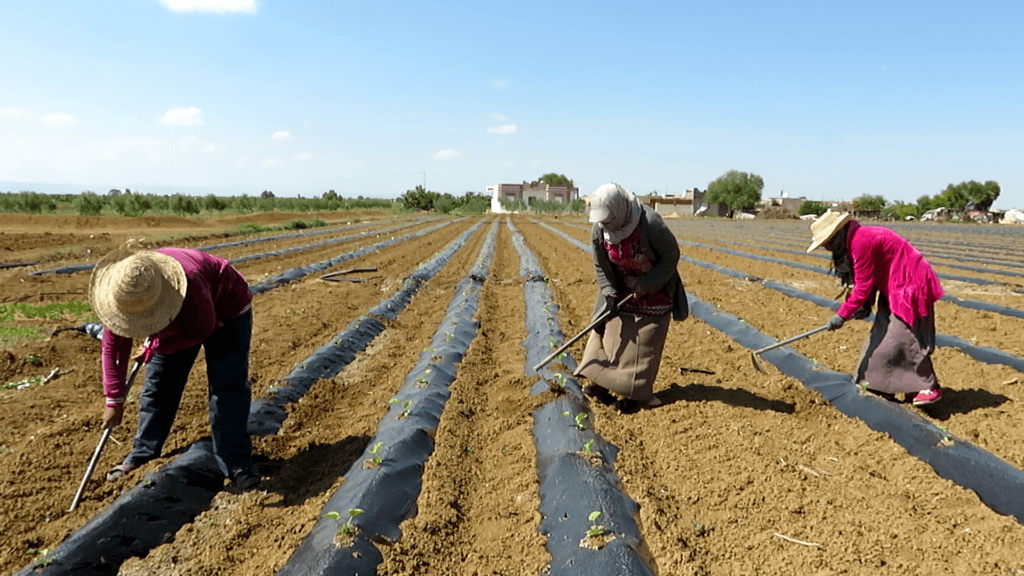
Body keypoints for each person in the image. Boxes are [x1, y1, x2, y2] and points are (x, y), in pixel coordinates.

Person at [90, 243, 260, 491]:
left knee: (226, 388)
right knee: (159, 386)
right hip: (184, 314)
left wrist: (154, 347)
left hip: (226, 310)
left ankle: (237, 464)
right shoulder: (120, 295)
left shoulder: (188, 282)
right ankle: (143, 453)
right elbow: (113, 349)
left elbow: (202, 328)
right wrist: (114, 399)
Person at [807, 211, 944, 405]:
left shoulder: (860, 240)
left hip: (910, 284)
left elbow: (862, 287)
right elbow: (867, 281)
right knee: (878, 337)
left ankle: (929, 386)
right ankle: (875, 384)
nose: (828, 248)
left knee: (901, 337)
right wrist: (863, 305)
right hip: (891, 286)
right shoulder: (855, 240)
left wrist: (841, 315)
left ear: (837, 234)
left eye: (827, 242)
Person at [573, 183, 688, 412]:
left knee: (642, 345)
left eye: (607, 220)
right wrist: (609, 292)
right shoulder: (599, 228)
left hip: (653, 290)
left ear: (619, 210)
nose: (604, 225)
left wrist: (647, 284)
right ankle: (601, 383)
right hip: (621, 287)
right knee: (609, 335)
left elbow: (671, 255)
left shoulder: (650, 223)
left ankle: (640, 395)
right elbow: (600, 263)